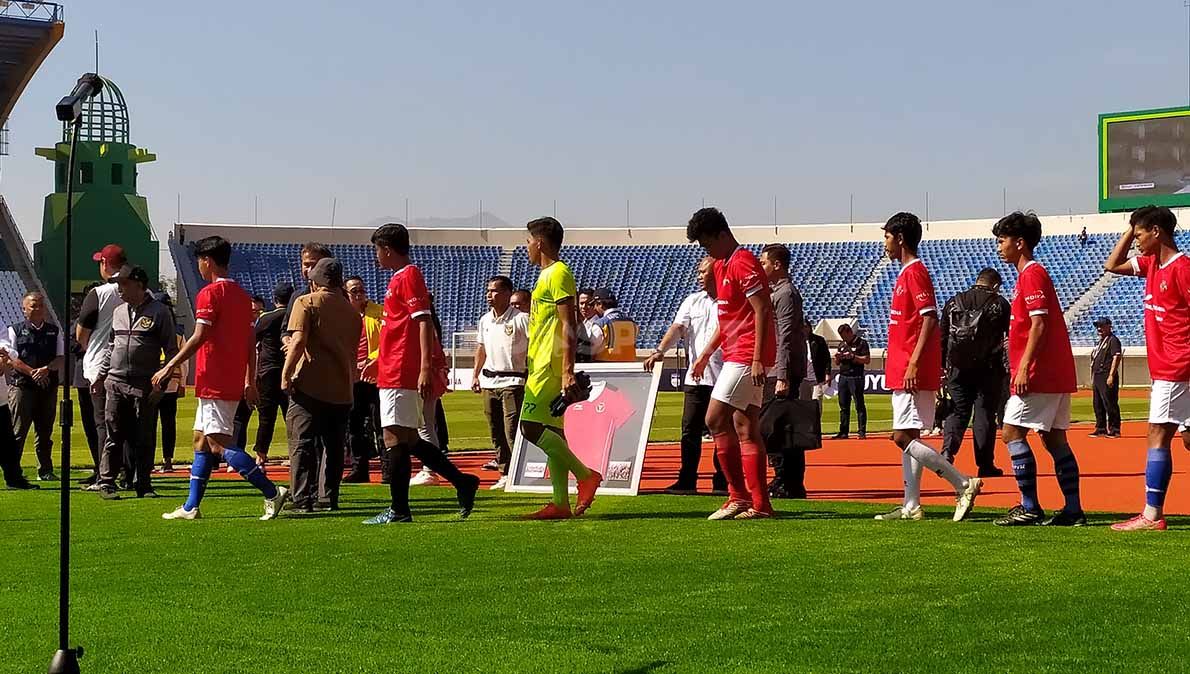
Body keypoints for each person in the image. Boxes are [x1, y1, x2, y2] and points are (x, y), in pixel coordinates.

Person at [154, 235, 289, 521]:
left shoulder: (210, 294)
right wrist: (248, 381)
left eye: (200, 262)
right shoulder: (242, 297)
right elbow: (249, 343)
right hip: (226, 379)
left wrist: (169, 365)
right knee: (200, 440)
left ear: (207, 261)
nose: (199, 268)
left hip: (215, 379)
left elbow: (200, 336)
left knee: (219, 444)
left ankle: (272, 492)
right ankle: (191, 506)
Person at [362, 224, 479, 524]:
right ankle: (462, 482)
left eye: (377, 249)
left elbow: (424, 321)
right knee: (408, 437)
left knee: (394, 437)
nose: (375, 255)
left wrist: (425, 367)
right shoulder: (398, 279)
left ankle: (400, 509)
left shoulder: (409, 276)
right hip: (392, 366)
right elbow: (398, 326)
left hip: (401, 370)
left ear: (387, 249)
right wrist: (379, 359)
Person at [874, 212, 981, 522]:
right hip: (903, 365)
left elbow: (929, 318)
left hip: (911, 367)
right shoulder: (905, 273)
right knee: (909, 436)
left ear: (901, 238)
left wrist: (914, 363)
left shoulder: (916, 272)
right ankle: (911, 504)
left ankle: (962, 483)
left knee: (901, 438)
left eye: (888, 237)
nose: (885, 244)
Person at [992, 211, 1083, 527]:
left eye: (1002, 241)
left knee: (1011, 431)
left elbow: (1040, 324)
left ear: (1019, 242)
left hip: (1039, 373)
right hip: (1056, 372)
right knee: (1054, 440)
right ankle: (1073, 510)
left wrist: (1024, 365)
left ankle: (1029, 506)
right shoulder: (1028, 275)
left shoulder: (1031, 274)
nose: (998, 247)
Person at [1103, 206, 1190, 531]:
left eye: (1140, 234)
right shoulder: (1152, 263)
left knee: (1157, 434)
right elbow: (1112, 265)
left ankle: (1151, 515)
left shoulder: (1182, 268)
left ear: (1157, 231)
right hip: (1172, 366)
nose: (1135, 241)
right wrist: (1131, 226)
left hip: (1177, 365)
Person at [509, 217, 602, 519]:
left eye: (527, 242)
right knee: (553, 433)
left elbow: (569, 322)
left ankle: (586, 475)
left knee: (530, 428)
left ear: (539, 242)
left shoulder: (559, 272)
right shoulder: (546, 275)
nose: (526, 248)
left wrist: (567, 370)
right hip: (541, 362)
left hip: (551, 365)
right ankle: (560, 502)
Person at [687, 207, 776, 520]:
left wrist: (756, 359)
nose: (706, 251)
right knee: (745, 427)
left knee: (714, 419)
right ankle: (761, 505)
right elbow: (727, 320)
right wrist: (705, 354)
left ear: (722, 235)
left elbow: (763, 309)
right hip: (736, 354)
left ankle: (737, 496)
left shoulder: (743, 262)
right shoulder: (723, 265)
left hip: (745, 355)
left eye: (707, 243)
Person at [281, 258, 361, 513]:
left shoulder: (305, 303)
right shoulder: (352, 312)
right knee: (334, 446)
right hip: (341, 387)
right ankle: (329, 497)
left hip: (309, 385)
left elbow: (298, 341)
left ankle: (301, 497)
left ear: (315, 281)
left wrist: (286, 373)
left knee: (302, 442)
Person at [92, 266, 178, 499]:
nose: (120, 289)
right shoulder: (119, 311)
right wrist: (101, 375)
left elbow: (171, 350)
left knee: (144, 437)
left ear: (139, 285)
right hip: (116, 381)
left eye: (124, 284)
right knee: (114, 433)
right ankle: (107, 482)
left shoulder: (160, 312)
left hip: (144, 383)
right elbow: (111, 347)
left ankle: (144, 484)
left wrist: (162, 381)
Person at [643, 256, 727, 495]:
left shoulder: (730, 300)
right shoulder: (692, 301)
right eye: (698, 272)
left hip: (723, 375)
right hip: (695, 378)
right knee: (690, 429)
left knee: (721, 430)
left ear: (716, 272)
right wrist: (660, 350)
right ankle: (687, 479)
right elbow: (678, 328)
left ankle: (721, 480)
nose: (698, 276)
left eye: (703, 272)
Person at [938, 267, 1010, 477]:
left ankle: (947, 453)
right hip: (988, 368)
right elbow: (1010, 335)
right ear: (995, 285)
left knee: (957, 411)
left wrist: (942, 367)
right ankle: (985, 464)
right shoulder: (999, 304)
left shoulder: (953, 302)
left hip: (957, 368)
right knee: (985, 414)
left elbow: (942, 337)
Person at [757, 244, 810, 499]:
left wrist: (782, 375)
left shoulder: (785, 293)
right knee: (780, 427)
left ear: (777, 265)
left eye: (764, 262)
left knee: (780, 426)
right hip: (779, 366)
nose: (761, 267)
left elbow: (786, 336)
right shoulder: (777, 292)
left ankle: (787, 480)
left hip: (782, 370)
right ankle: (785, 479)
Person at [76, 243, 128, 488]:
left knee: (101, 424)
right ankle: (128, 474)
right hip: (127, 363)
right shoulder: (138, 289)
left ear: (106, 264)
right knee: (126, 424)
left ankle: (104, 475)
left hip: (98, 363)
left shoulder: (100, 292)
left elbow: (81, 333)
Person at [471, 274, 529, 490]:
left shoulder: (521, 319)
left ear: (507, 293)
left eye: (494, 291)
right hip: (489, 381)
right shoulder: (485, 320)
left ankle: (519, 472)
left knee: (512, 429)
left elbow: (535, 345)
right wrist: (475, 375)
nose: (489, 295)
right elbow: (482, 348)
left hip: (513, 379)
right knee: (495, 430)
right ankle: (505, 472)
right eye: (488, 290)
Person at [233, 280, 293, 464]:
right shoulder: (295, 316)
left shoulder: (266, 318)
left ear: (275, 299)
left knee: (266, 416)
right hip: (289, 369)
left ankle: (261, 456)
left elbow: (250, 340)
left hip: (267, 370)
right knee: (290, 414)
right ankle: (294, 453)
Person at [6, 290, 64, 481]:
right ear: (24, 309)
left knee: (45, 431)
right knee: (18, 431)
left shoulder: (54, 330)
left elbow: (60, 357)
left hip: (47, 387)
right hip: (22, 386)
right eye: (33, 305)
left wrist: (46, 369)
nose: (38, 309)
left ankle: (45, 470)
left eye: (41, 305)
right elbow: (11, 359)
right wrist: (33, 372)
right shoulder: (14, 330)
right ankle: (14, 471)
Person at [343, 275, 384, 483]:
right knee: (354, 426)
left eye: (361, 289)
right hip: (351, 377)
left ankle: (388, 470)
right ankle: (359, 469)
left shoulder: (379, 312)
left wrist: (372, 359)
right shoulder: (341, 315)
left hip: (375, 376)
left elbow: (387, 340)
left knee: (381, 424)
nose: (358, 293)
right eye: (353, 290)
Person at [152, 292, 187, 473]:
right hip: (171, 382)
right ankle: (167, 461)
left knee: (150, 424)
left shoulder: (151, 326)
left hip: (152, 382)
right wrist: (182, 382)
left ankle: (149, 461)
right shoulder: (178, 332)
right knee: (168, 424)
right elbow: (185, 360)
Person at [0, 336, 37, 489]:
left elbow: (6, 346)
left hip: (0, 400)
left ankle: (14, 478)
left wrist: (4, 354)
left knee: (7, 442)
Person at [832, 323, 869, 439]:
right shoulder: (842, 344)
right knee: (843, 405)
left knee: (859, 404)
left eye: (844, 335)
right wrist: (837, 358)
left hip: (856, 377)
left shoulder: (861, 343)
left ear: (849, 332)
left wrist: (853, 357)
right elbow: (837, 363)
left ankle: (861, 431)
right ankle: (843, 431)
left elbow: (867, 359)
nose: (843, 339)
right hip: (843, 377)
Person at [1088, 317, 1123, 438]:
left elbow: (1116, 357)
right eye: (1098, 326)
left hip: (1106, 374)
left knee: (1110, 402)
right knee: (1097, 403)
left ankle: (1114, 429)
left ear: (1109, 326)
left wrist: (1111, 375)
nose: (1099, 329)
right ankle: (1100, 427)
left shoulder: (1113, 340)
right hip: (1098, 375)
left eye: (1102, 326)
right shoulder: (1100, 342)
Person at [591, 288, 637, 362]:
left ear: (600, 304)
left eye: (594, 305)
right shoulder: (632, 323)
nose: (594, 308)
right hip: (629, 366)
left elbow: (592, 350)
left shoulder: (600, 324)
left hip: (606, 367)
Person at [576, 288, 604, 362]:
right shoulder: (581, 324)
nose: (584, 307)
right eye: (581, 303)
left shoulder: (599, 324)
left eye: (588, 304)